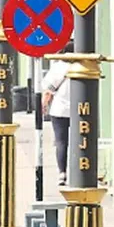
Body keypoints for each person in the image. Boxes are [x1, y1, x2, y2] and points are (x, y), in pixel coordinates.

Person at [42, 42, 74, 185]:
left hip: (59, 110)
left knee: (61, 142)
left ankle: (62, 173)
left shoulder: (58, 67)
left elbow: (48, 90)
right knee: (79, 141)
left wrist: (43, 105)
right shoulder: (84, 66)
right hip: (79, 110)